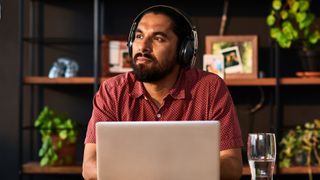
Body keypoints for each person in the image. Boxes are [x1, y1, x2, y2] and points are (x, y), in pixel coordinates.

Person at [82, 5, 243, 180]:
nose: (143, 47)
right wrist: (171, 168)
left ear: (184, 50)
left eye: (158, 38)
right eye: (139, 36)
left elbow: (232, 166)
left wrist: (149, 169)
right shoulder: (113, 90)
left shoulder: (209, 88)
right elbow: (89, 167)